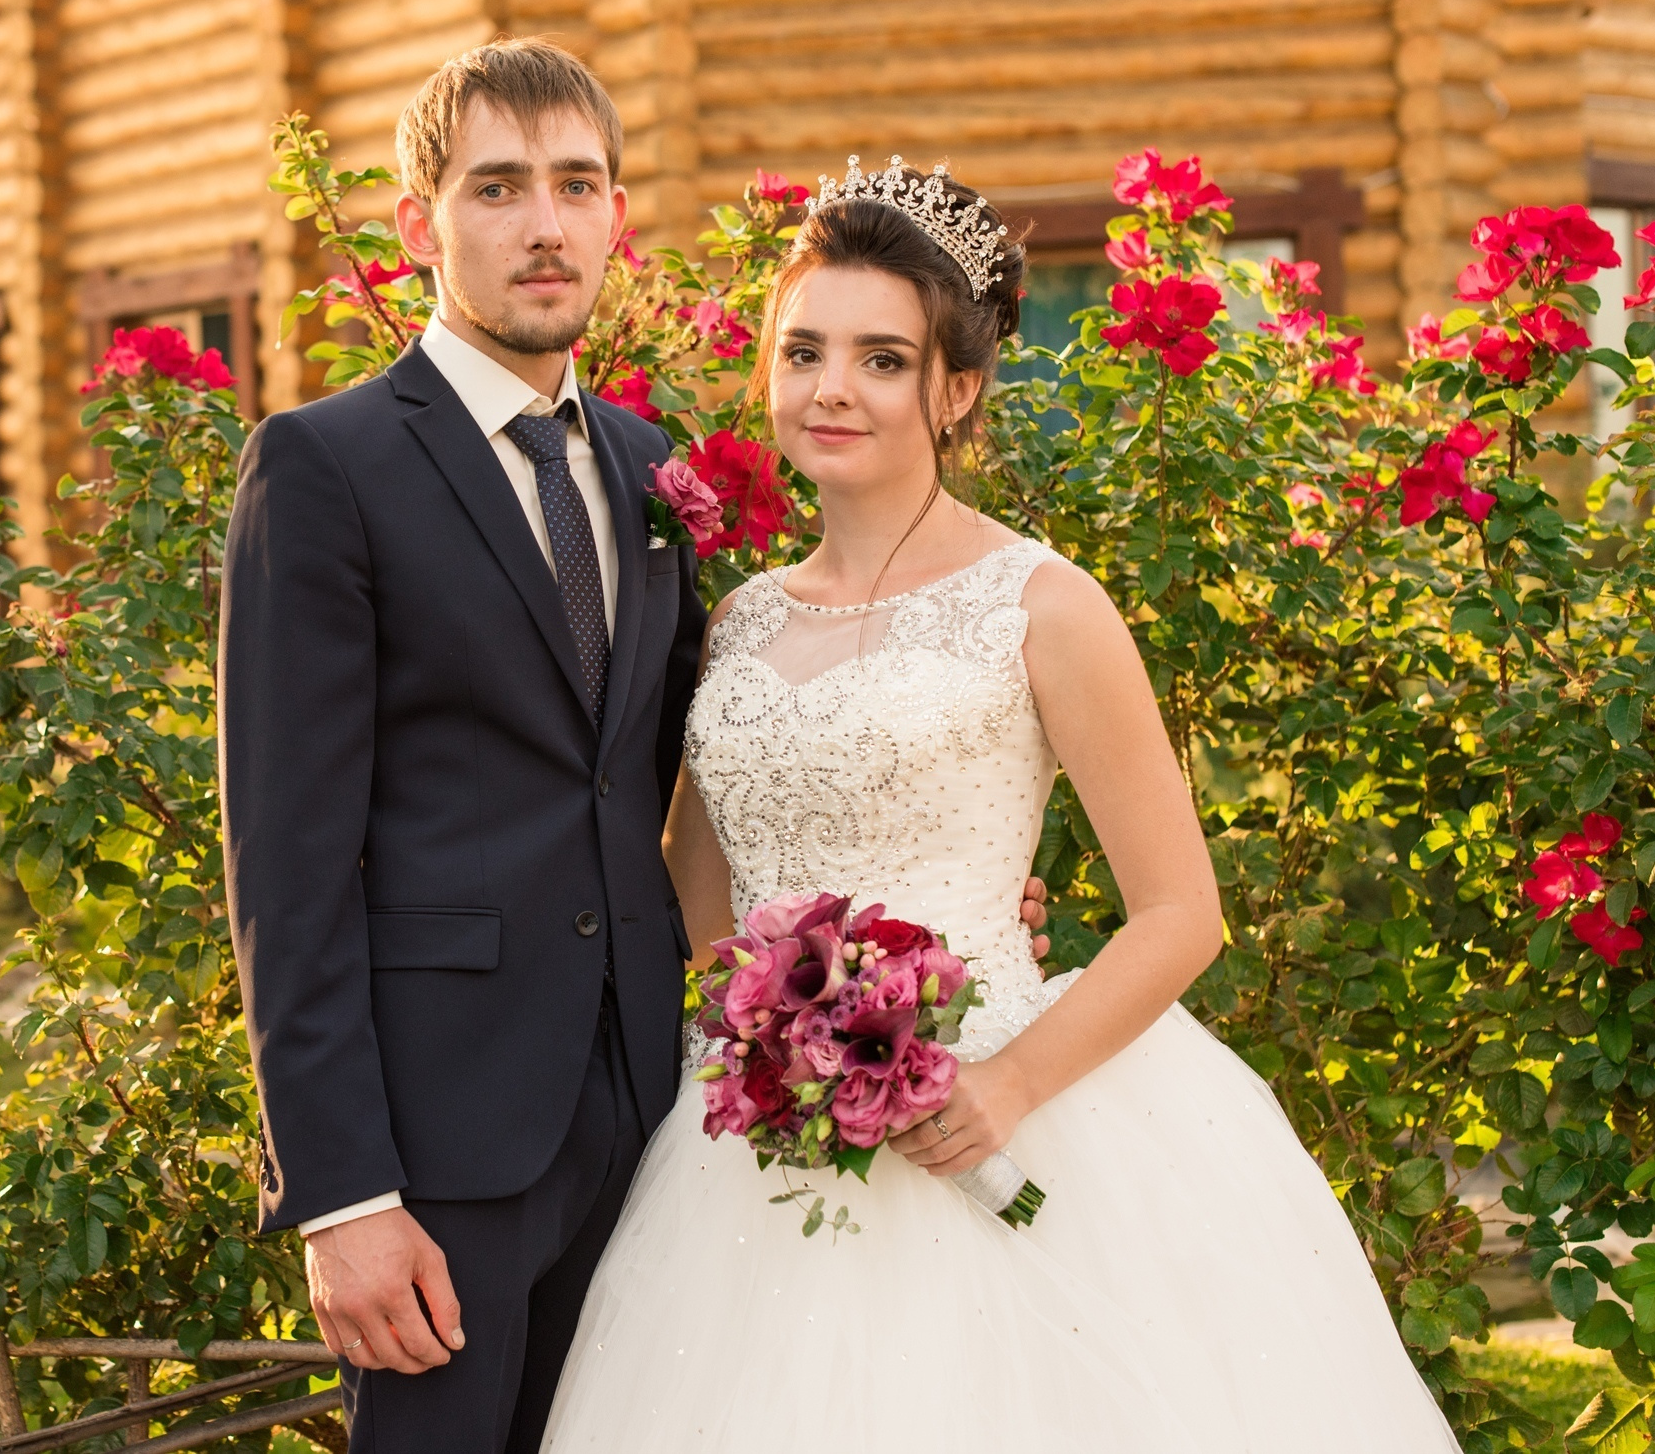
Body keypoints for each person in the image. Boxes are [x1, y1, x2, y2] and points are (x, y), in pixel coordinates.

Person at [539, 161, 1464, 1451]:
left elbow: (1180, 913)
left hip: (999, 1097)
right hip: (755, 1146)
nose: (832, 388)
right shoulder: (737, 622)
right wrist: (764, 1040)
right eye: (803, 350)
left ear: (956, 386)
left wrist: (1007, 1085)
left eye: (880, 357)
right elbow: (700, 910)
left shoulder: (1043, 604)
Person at [219, 51, 1049, 1453]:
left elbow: (702, 767)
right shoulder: (324, 468)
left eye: (574, 185)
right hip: (437, 1151)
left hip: (650, 1120)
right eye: (497, 188)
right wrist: (343, 1194)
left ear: (616, 215)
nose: (543, 224)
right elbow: (284, 865)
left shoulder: (641, 464)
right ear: (423, 224)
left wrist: (928, 896)